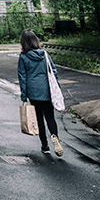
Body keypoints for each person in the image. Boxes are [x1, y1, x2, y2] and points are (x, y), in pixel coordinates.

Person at [18, 28, 63, 156]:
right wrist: (58, 89)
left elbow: (22, 77)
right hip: (47, 90)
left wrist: (24, 96)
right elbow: (53, 72)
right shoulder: (44, 54)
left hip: (33, 92)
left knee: (38, 118)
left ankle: (45, 146)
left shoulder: (23, 57)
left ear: (23, 42)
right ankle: (54, 136)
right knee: (50, 117)